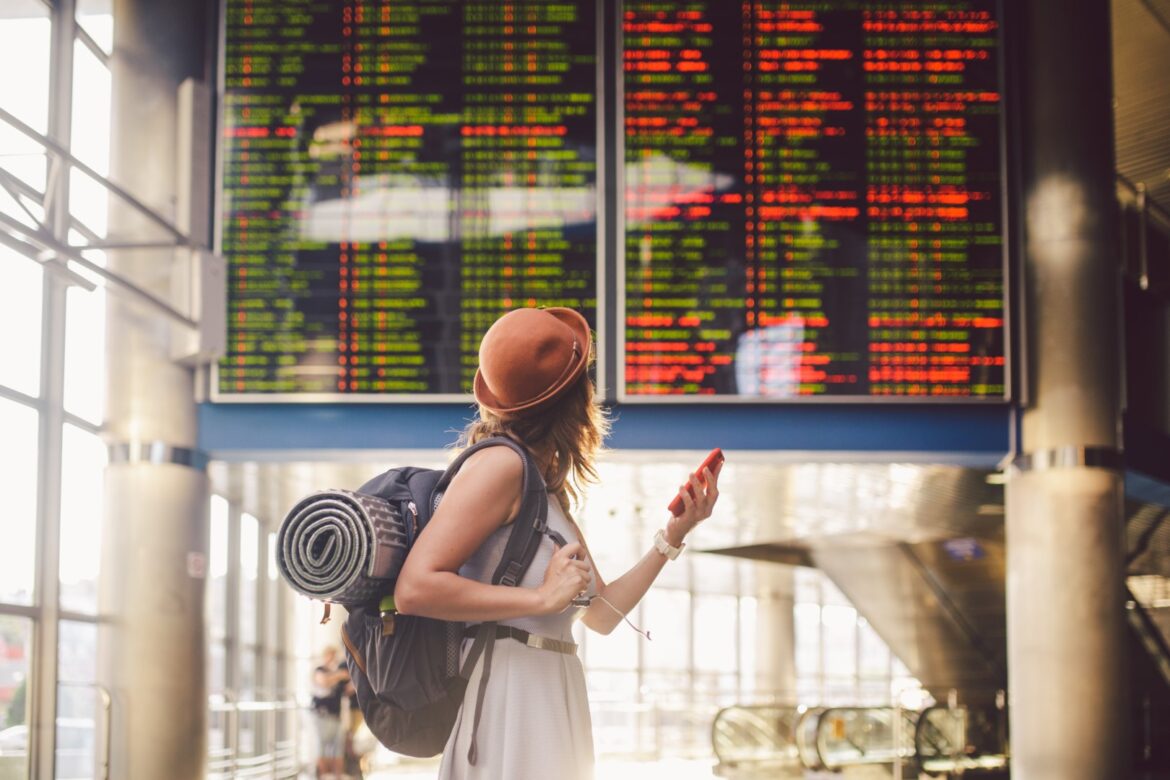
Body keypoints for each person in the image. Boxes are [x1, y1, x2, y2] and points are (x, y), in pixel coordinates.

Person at [394, 307, 722, 779]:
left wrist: (673, 536)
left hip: (548, 688)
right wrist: (540, 597)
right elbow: (415, 589)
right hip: (512, 697)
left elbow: (603, 613)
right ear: (576, 396)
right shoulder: (499, 467)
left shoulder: (541, 486)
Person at [310, 646, 349, 780]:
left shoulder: (336, 674)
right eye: (330, 656)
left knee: (338, 751)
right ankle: (321, 776)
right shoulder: (319, 671)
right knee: (321, 749)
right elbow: (324, 682)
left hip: (337, 717)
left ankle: (337, 777)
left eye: (334, 656)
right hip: (322, 717)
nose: (333, 659)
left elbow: (348, 690)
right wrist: (339, 675)